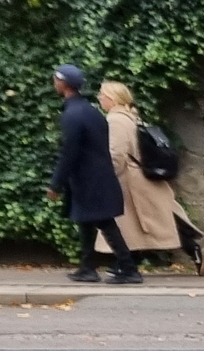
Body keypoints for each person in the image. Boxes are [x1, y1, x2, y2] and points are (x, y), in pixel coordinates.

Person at [96, 80, 202, 274]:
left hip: (129, 179)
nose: (99, 98)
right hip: (141, 176)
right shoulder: (130, 116)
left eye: (101, 95)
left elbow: (117, 154)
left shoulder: (115, 120)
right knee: (154, 219)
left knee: (129, 224)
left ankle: (127, 265)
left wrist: (108, 176)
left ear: (111, 98)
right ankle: (190, 248)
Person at [46, 63, 137, 284]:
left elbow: (70, 152)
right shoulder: (89, 110)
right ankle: (87, 268)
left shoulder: (73, 114)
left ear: (63, 83)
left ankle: (129, 269)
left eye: (56, 80)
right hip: (96, 178)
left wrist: (55, 184)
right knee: (86, 222)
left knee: (105, 223)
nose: (54, 83)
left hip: (89, 180)